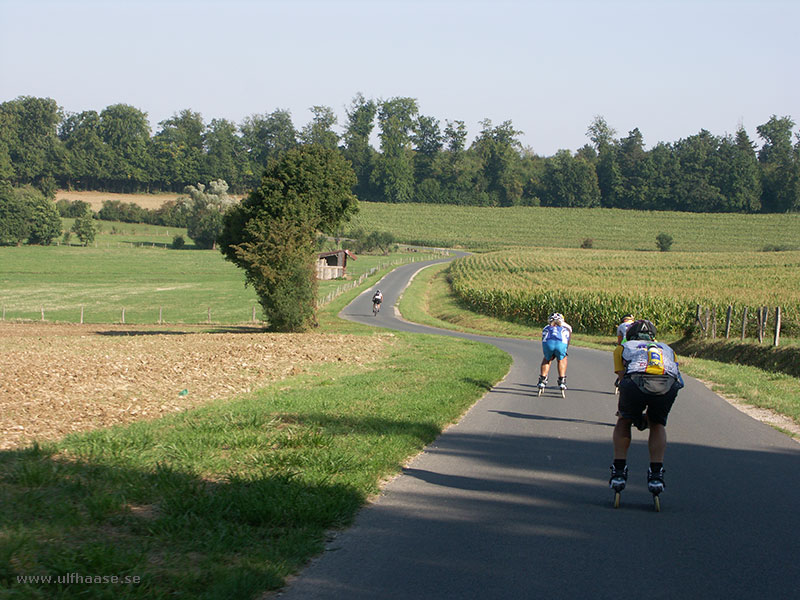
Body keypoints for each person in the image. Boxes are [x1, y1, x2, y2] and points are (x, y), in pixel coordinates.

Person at [609, 319, 684, 496]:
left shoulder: (622, 348)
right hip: (668, 383)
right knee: (657, 424)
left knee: (624, 420)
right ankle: (656, 473)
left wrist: (631, 415)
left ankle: (619, 470)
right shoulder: (667, 348)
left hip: (636, 380)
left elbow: (621, 378)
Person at [537, 312, 573, 391]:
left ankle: (542, 379)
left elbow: (543, 339)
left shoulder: (546, 327)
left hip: (548, 343)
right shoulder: (567, 327)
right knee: (562, 359)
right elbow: (568, 339)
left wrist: (548, 353)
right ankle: (562, 380)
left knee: (547, 359)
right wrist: (565, 350)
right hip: (561, 343)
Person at [613, 314, 635, 389]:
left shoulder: (621, 326)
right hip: (637, 345)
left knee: (617, 354)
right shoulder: (636, 324)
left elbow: (619, 342)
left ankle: (621, 379)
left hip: (625, 344)